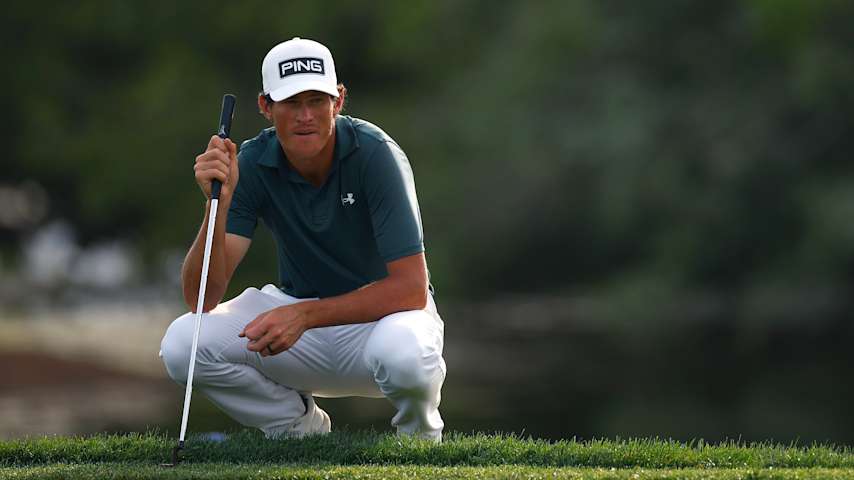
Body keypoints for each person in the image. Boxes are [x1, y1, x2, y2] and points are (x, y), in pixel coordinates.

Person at [159, 37, 446, 442]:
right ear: (266, 107)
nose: (306, 115)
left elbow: (412, 289)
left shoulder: (376, 153)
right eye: (292, 103)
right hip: (300, 333)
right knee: (182, 344)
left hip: (382, 323)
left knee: (403, 355)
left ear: (339, 100)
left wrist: (305, 315)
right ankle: (298, 429)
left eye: (317, 100)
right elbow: (200, 298)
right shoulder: (253, 162)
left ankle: (419, 441)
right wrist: (216, 204)